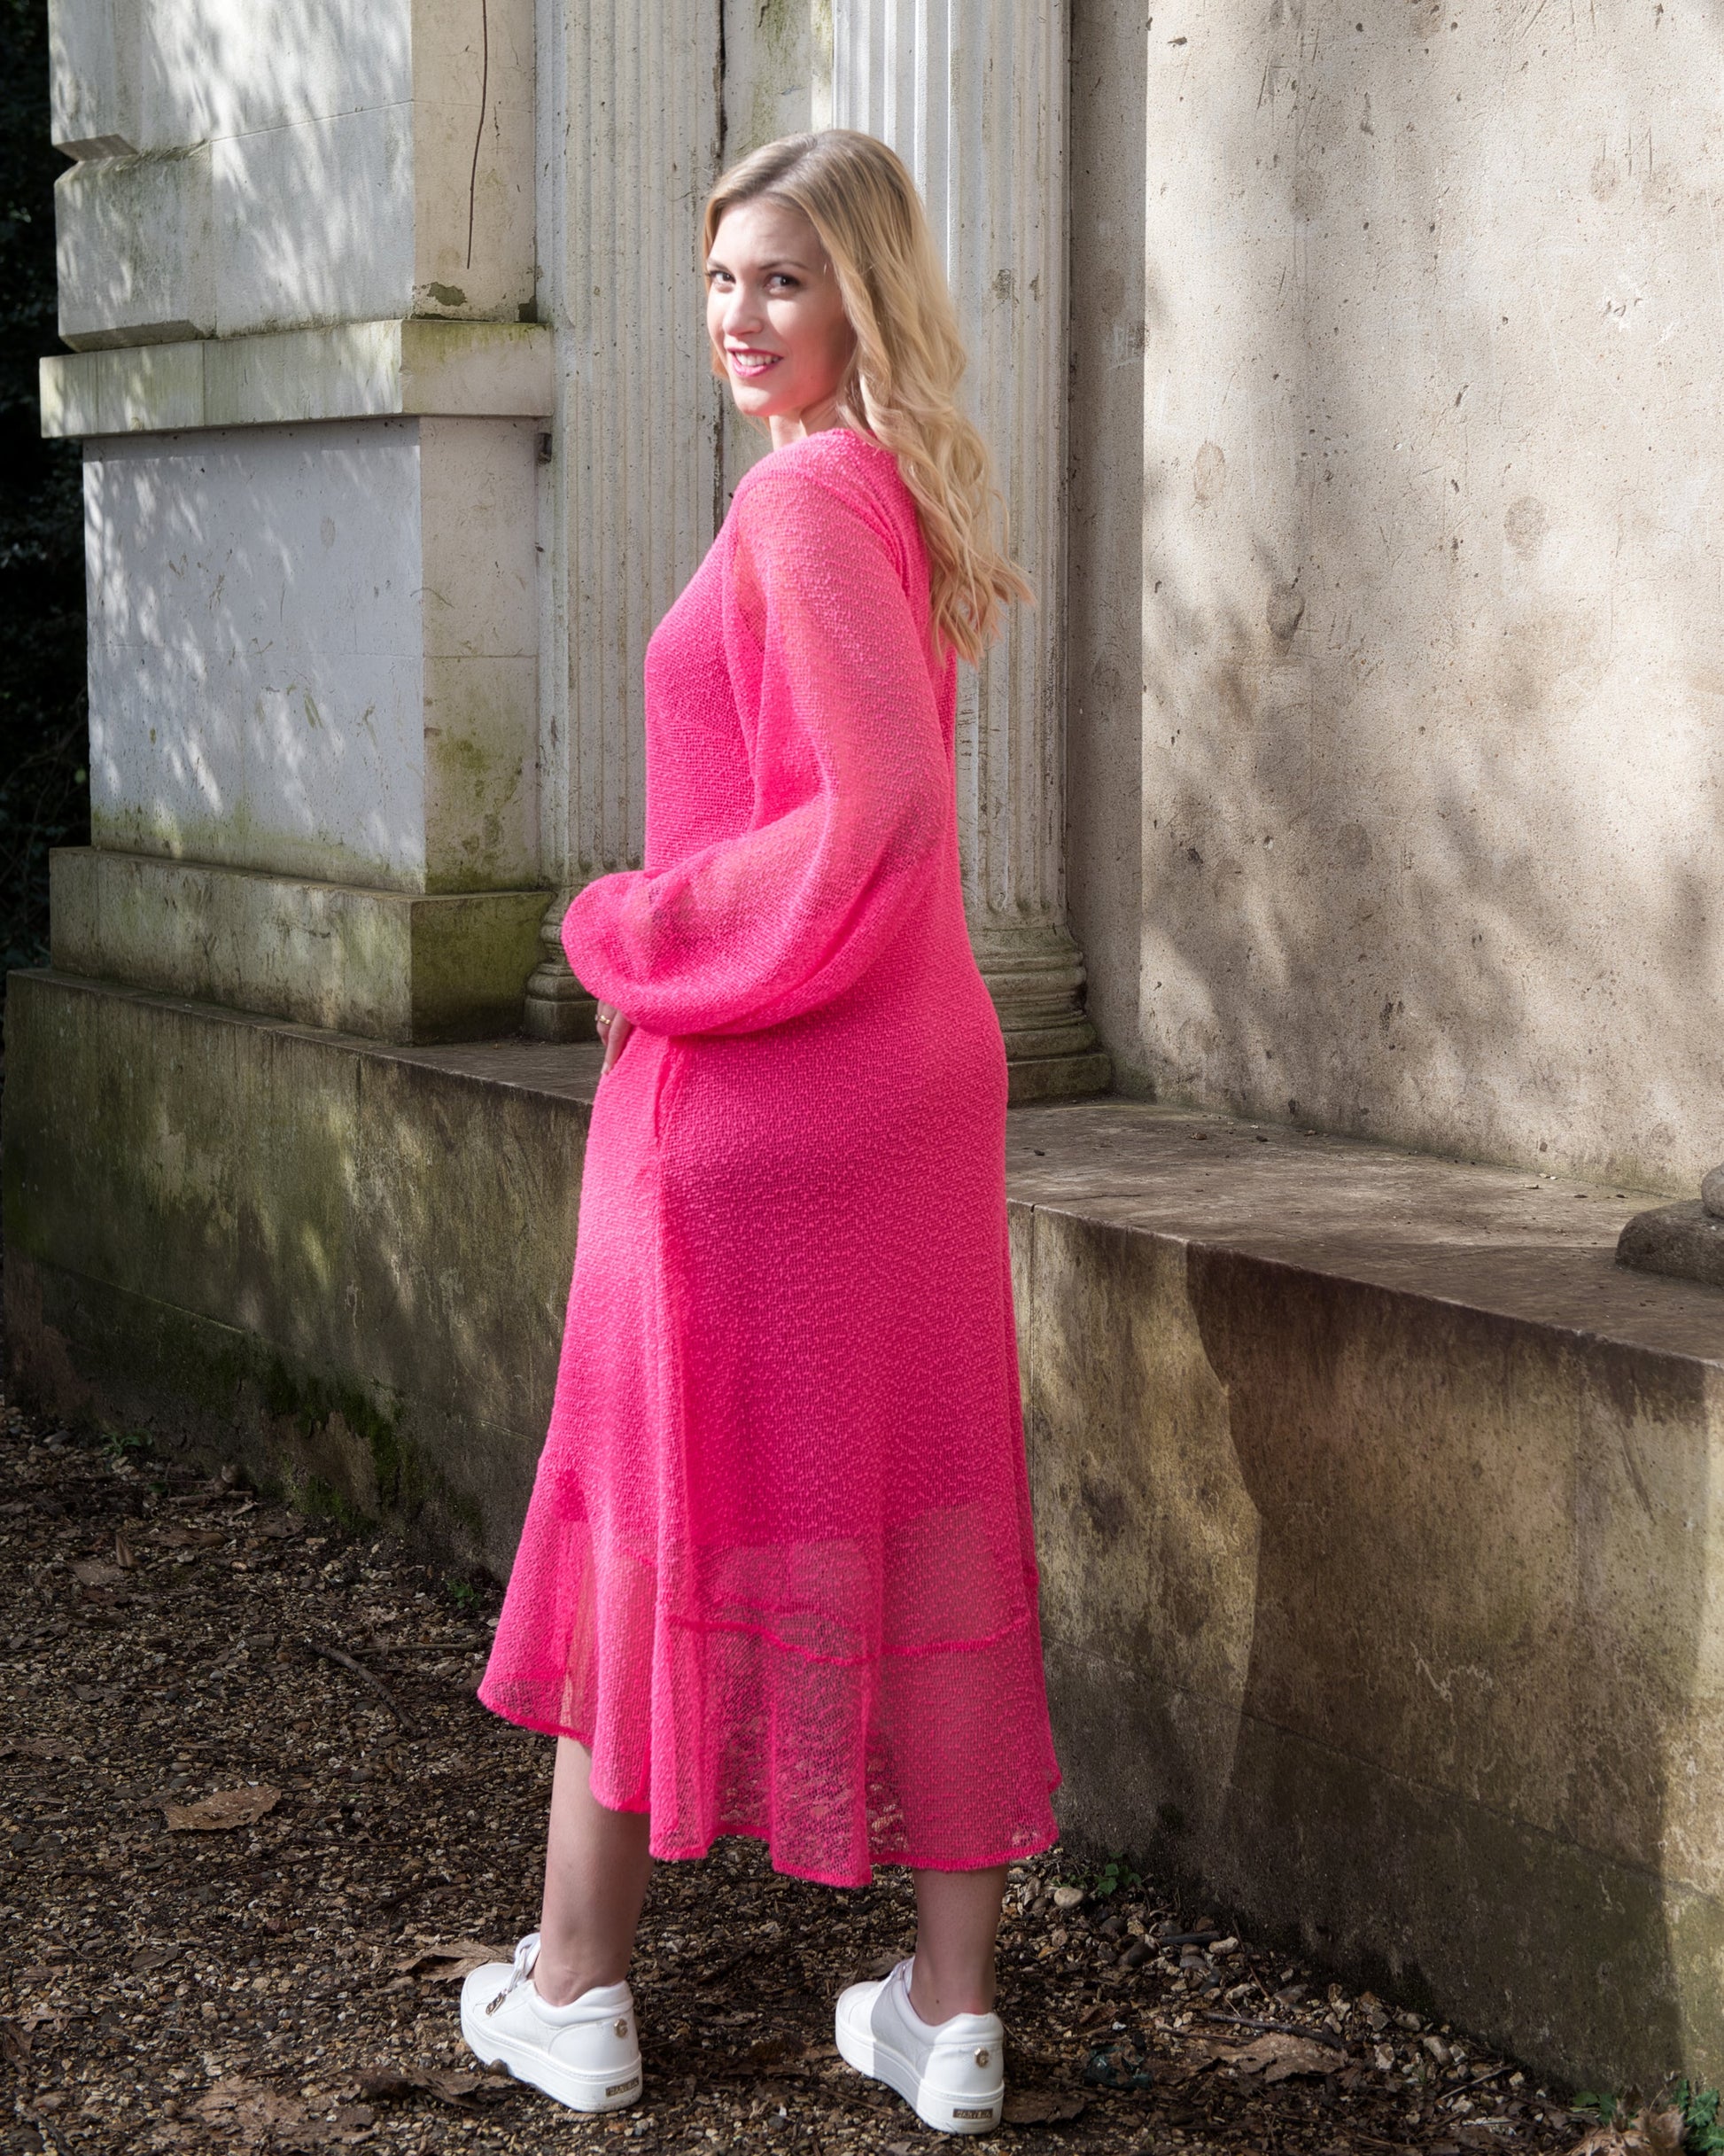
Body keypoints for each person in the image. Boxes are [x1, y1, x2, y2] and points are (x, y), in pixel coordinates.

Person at [458, 128, 1060, 2137]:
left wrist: (639, 924)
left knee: (649, 1515)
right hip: (909, 1080)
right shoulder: (894, 490)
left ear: (862, 295)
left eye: (782, 280)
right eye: (721, 279)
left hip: (761, 1084)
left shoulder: (805, 495)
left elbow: (870, 808)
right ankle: (947, 2020)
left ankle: (573, 1990)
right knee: (932, 1502)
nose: (739, 317)